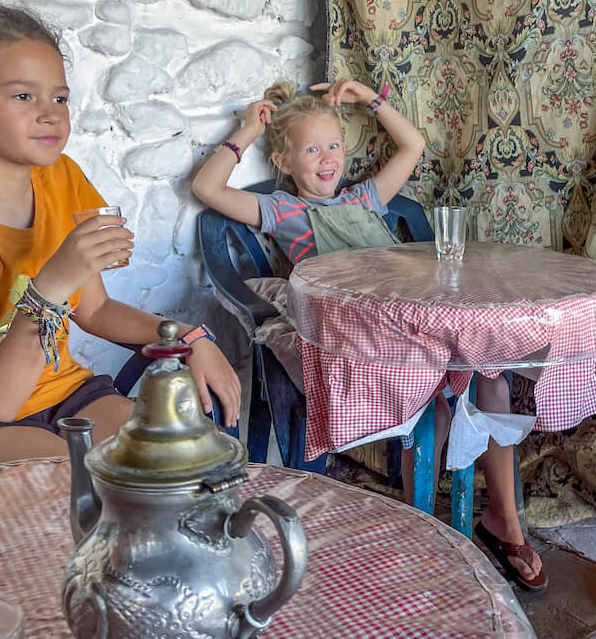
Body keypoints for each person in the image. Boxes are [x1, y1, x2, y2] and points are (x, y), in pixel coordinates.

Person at [192, 79, 545, 590]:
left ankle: (502, 520)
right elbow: (207, 189)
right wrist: (246, 130)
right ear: (284, 162)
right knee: (437, 405)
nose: (326, 158)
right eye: (310, 149)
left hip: (416, 317)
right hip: (369, 333)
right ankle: (414, 512)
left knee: (493, 376)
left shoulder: (366, 198)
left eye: (334, 145)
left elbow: (413, 146)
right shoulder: (283, 212)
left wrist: (372, 101)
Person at [0, 0, 241, 470]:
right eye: (23, 96)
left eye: (60, 97)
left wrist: (191, 336)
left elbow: (98, 309)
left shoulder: (62, 178)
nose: (50, 113)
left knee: (179, 459)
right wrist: (52, 284)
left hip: (58, 392)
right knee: (64, 481)